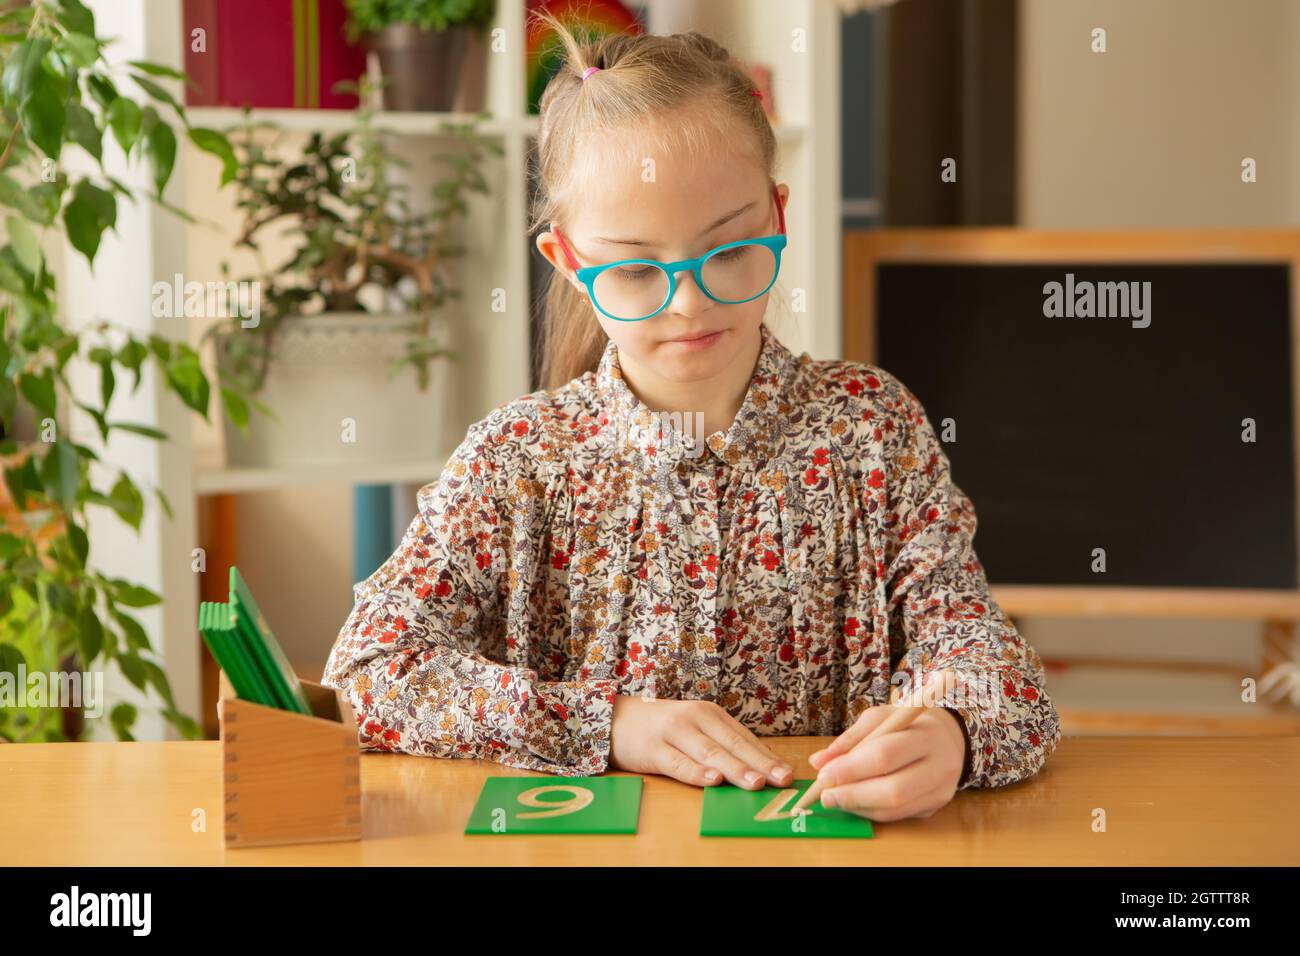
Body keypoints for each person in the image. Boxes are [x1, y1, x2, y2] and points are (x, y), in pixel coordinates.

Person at [322, 14, 1060, 822]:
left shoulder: (872, 430)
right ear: (569, 262)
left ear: (778, 215)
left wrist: (951, 730)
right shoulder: (518, 458)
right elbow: (367, 672)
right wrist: (608, 725)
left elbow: (997, 670)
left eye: (729, 249)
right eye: (636, 269)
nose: (689, 302)